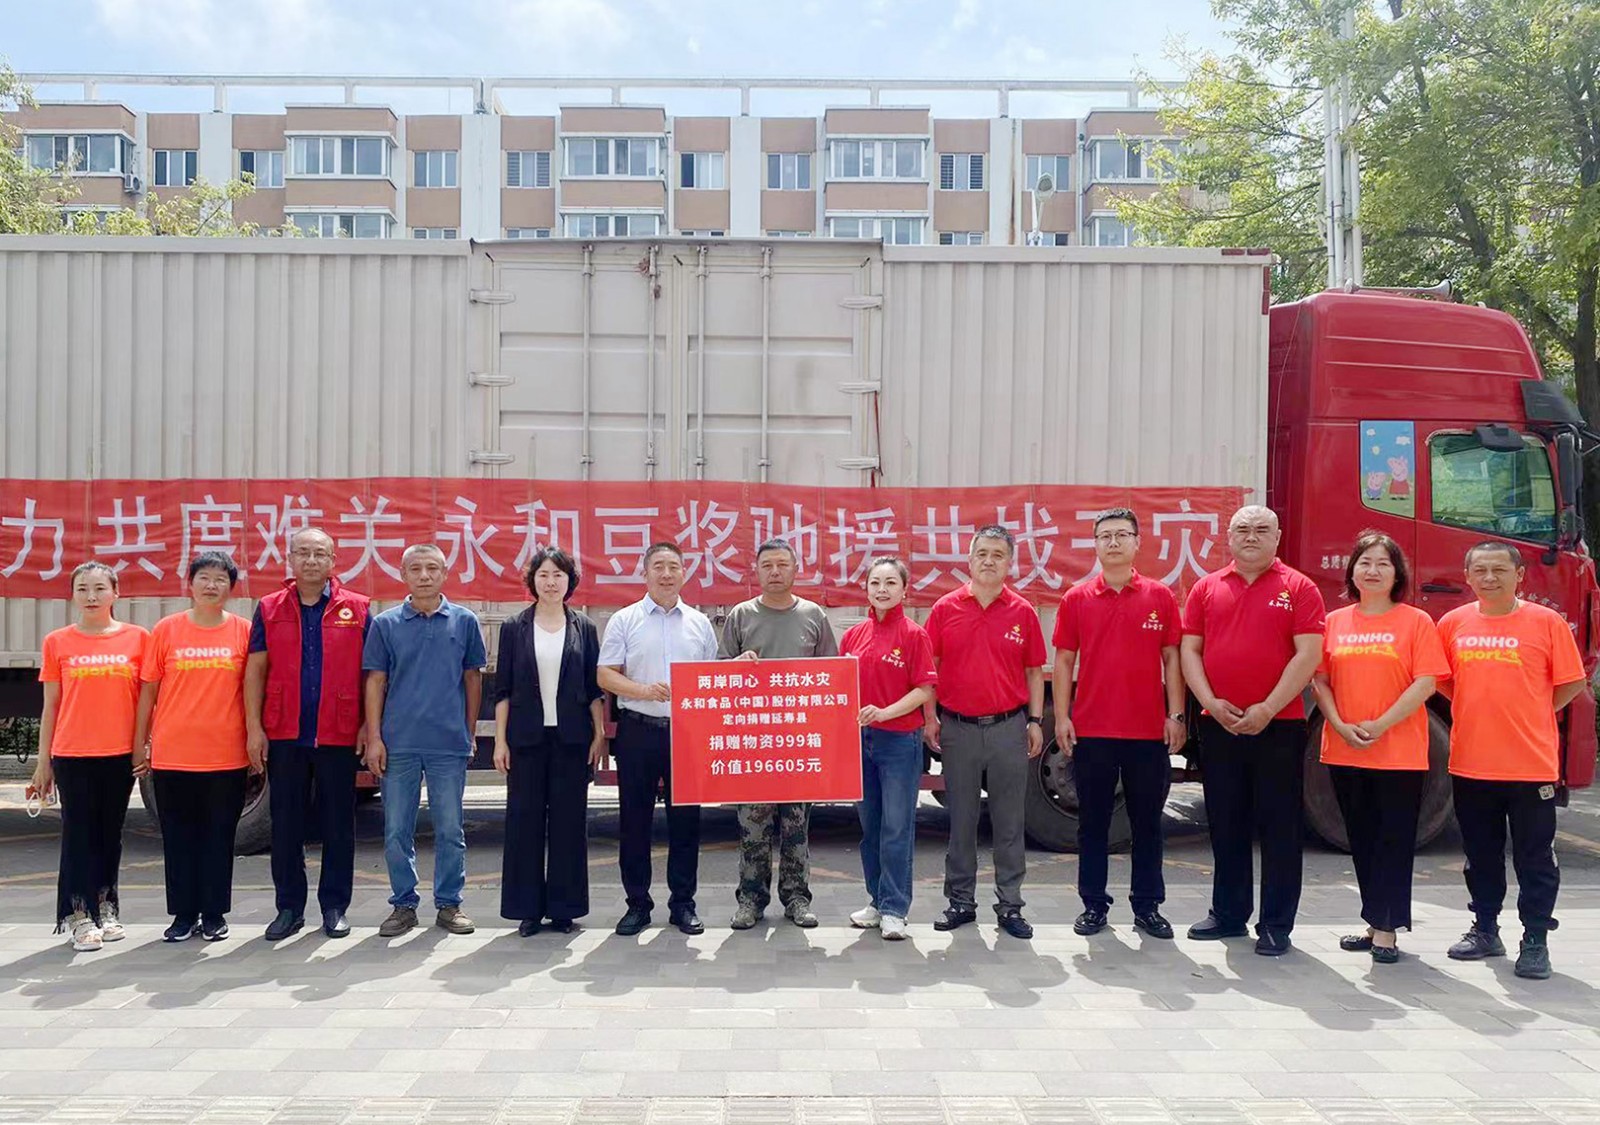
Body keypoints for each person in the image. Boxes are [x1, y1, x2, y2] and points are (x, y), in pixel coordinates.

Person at [1437, 542, 1587, 980]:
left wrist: (1533, 709)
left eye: (1499, 570)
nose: (1490, 578)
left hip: (1530, 765)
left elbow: (1571, 682)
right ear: (1467, 576)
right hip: (1471, 763)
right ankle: (1485, 929)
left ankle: (1535, 940)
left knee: (1534, 857)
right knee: (1479, 854)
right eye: (1480, 570)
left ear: (1519, 575)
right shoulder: (1452, 623)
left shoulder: (1546, 622)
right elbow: (1443, 681)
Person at [1181, 505, 1326, 956]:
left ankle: (1276, 924)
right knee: (1226, 821)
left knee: (1280, 826)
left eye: (1262, 529)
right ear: (1228, 537)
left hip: (1279, 725)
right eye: (1242, 529)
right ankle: (1228, 914)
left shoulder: (1298, 587)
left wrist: (1267, 707)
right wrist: (1209, 702)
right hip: (1219, 724)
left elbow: (1308, 655)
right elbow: (1190, 650)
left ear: (1277, 538)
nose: (1251, 536)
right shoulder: (1207, 587)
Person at [1310, 532, 1447, 964]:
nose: (1372, 570)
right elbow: (1320, 680)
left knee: (1393, 839)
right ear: (1352, 571)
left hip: (1398, 752)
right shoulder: (1334, 622)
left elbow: (1426, 682)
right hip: (1344, 747)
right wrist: (1338, 724)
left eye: (1382, 564)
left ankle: (1387, 928)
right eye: (1364, 562)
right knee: (1361, 838)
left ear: (1397, 574)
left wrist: (1381, 724)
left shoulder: (1416, 622)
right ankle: (1374, 920)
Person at [1052, 508, 1185, 941]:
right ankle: (1093, 905)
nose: (1113, 542)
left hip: (1147, 732)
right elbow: (1065, 660)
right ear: (1094, 544)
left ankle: (1147, 906)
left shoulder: (1159, 596)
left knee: (1148, 823)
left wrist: (1176, 714)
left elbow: (1172, 658)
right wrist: (1062, 717)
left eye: (1122, 535)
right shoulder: (1077, 598)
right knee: (1093, 823)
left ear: (1137, 542)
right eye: (1105, 536)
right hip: (1092, 730)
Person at [245, 528, 371, 941]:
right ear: (290, 559)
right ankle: (289, 908)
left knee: (338, 824)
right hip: (285, 732)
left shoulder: (358, 608)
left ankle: (334, 907)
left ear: (334, 560)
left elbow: (372, 674)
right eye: (303, 553)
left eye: (320, 553)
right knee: (285, 825)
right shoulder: (269, 608)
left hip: (339, 731)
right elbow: (255, 671)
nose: (311, 560)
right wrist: (254, 728)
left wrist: (368, 725)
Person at [924, 525, 1047, 940]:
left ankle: (1010, 905)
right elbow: (929, 669)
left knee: (1009, 822)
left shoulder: (1022, 611)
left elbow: (1034, 671)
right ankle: (960, 901)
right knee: (961, 820)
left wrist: (1035, 721)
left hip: (1008, 729)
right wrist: (930, 717)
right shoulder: (945, 608)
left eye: (998, 555)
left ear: (1010, 563)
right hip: (958, 728)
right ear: (969, 559)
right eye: (982, 554)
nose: (989, 561)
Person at [362, 543, 486, 938]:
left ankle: (449, 904)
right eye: (415, 569)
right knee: (397, 830)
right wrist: (375, 737)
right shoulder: (386, 624)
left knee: (450, 829)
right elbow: (376, 681)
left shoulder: (464, 621)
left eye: (433, 568)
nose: (425, 575)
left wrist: (468, 731)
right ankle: (403, 905)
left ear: (445, 574)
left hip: (447, 743)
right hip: (399, 743)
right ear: (403, 575)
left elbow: (472, 678)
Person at [598, 542, 719, 936]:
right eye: (658, 567)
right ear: (645, 573)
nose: (666, 574)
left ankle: (683, 904)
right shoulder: (625, 620)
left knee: (686, 822)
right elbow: (605, 674)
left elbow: (710, 679)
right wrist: (643, 690)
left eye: (673, 567)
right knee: (634, 821)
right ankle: (637, 904)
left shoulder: (699, 623)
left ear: (684, 573)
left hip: (686, 732)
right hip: (638, 729)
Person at [133, 551, 253, 943]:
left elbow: (253, 693)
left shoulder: (243, 631)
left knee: (219, 838)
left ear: (231, 588)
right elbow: (148, 692)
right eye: (204, 577)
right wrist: (140, 745)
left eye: (220, 579)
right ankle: (183, 915)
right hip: (173, 755)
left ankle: (214, 914)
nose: (211, 585)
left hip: (226, 755)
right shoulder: (167, 630)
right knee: (179, 838)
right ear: (190, 584)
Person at [721, 538, 839, 930]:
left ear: (795, 569)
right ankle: (750, 900)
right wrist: (737, 664)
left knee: (796, 827)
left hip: (799, 743)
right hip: (754, 743)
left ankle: (797, 898)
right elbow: (718, 674)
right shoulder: (741, 615)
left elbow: (831, 676)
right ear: (756, 571)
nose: (775, 572)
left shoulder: (813, 615)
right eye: (767, 565)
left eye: (782, 564)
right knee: (752, 828)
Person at [32, 561, 148, 952]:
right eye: (82, 589)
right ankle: (78, 915)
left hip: (119, 755)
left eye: (100, 588)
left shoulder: (138, 639)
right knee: (78, 835)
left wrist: (144, 745)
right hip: (72, 753)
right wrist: (43, 761)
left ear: (116, 593)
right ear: (73, 595)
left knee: (110, 835)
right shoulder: (58, 642)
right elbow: (51, 705)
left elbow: (146, 701)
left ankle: (106, 906)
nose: (91, 596)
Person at [493, 547, 605, 936]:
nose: (551, 582)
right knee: (523, 823)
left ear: (569, 581)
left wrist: (598, 734)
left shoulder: (583, 627)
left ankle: (564, 909)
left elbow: (593, 689)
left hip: (572, 739)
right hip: (526, 740)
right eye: (543, 574)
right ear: (533, 580)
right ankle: (527, 910)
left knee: (569, 824)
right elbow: (503, 690)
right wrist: (500, 741)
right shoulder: (514, 627)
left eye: (558, 575)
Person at [839, 556, 938, 940]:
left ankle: (895, 908)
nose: (882, 589)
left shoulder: (914, 635)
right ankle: (877, 900)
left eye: (890, 583)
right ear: (866, 589)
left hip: (899, 741)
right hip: (859, 743)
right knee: (871, 827)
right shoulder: (853, 636)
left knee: (897, 827)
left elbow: (924, 689)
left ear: (904, 590)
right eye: (875, 583)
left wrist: (884, 712)